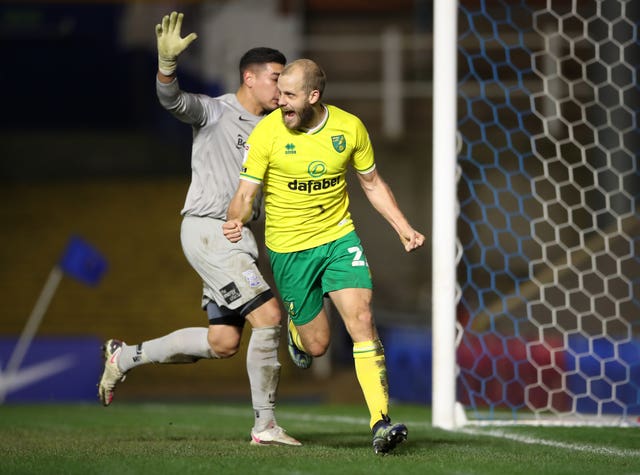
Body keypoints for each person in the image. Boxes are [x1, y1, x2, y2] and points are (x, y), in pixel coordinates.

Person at [98, 11, 300, 447]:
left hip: (237, 239)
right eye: (276, 78)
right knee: (268, 317)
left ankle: (125, 356)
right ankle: (264, 426)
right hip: (209, 231)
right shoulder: (215, 111)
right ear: (250, 77)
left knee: (223, 341)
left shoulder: (274, 131)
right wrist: (167, 67)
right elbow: (172, 101)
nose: (282, 89)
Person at [223, 58, 425, 454]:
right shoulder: (267, 133)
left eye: (289, 95)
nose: (280, 102)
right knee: (317, 346)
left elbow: (371, 183)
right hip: (289, 249)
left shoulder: (349, 128)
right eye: (279, 93)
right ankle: (300, 335)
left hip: (337, 238)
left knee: (363, 319)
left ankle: (380, 423)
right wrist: (235, 220)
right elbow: (246, 194)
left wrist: (402, 226)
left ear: (313, 96)